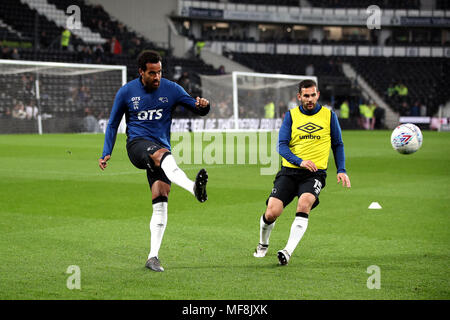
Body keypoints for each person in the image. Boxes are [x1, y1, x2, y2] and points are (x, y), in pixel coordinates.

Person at [99, 50, 210, 272]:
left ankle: (153, 257)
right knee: (161, 155)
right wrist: (106, 151)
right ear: (141, 72)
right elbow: (113, 124)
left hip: (161, 151)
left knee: (161, 196)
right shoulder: (127, 92)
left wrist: (204, 106)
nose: (157, 77)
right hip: (137, 146)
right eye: (152, 73)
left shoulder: (171, 89)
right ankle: (193, 188)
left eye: (159, 72)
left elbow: (197, 109)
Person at [253, 79, 351, 266]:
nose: (309, 99)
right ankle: (263, 243)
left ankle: (287, 251)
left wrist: (342, 169)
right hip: (290, 171)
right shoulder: (291, 116)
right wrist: (300, 161)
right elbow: (281, 146)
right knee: (272, 212)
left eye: (313, 95)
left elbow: (338, 144)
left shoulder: (329, 116)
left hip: (315, 174)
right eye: (305, 96)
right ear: (299, 96)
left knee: (304, 204)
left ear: (318, 94)